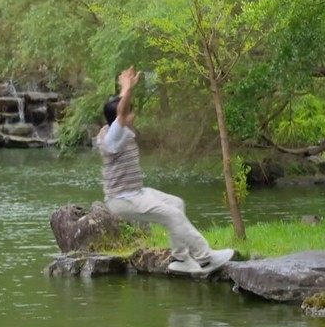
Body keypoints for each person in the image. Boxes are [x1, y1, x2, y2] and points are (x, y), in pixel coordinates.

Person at [96, 66, 234, 274]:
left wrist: (126, 90)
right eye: (130, 111)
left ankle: (180, 259)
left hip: (136, 193)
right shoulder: (113, 138)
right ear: (121, 117)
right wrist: (126, 88)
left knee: (176, 204)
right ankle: (206, 258)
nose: (133, 115)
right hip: (123, 199)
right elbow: (121, 113)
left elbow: (120, 112)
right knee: (172, 216)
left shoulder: (114, 132)